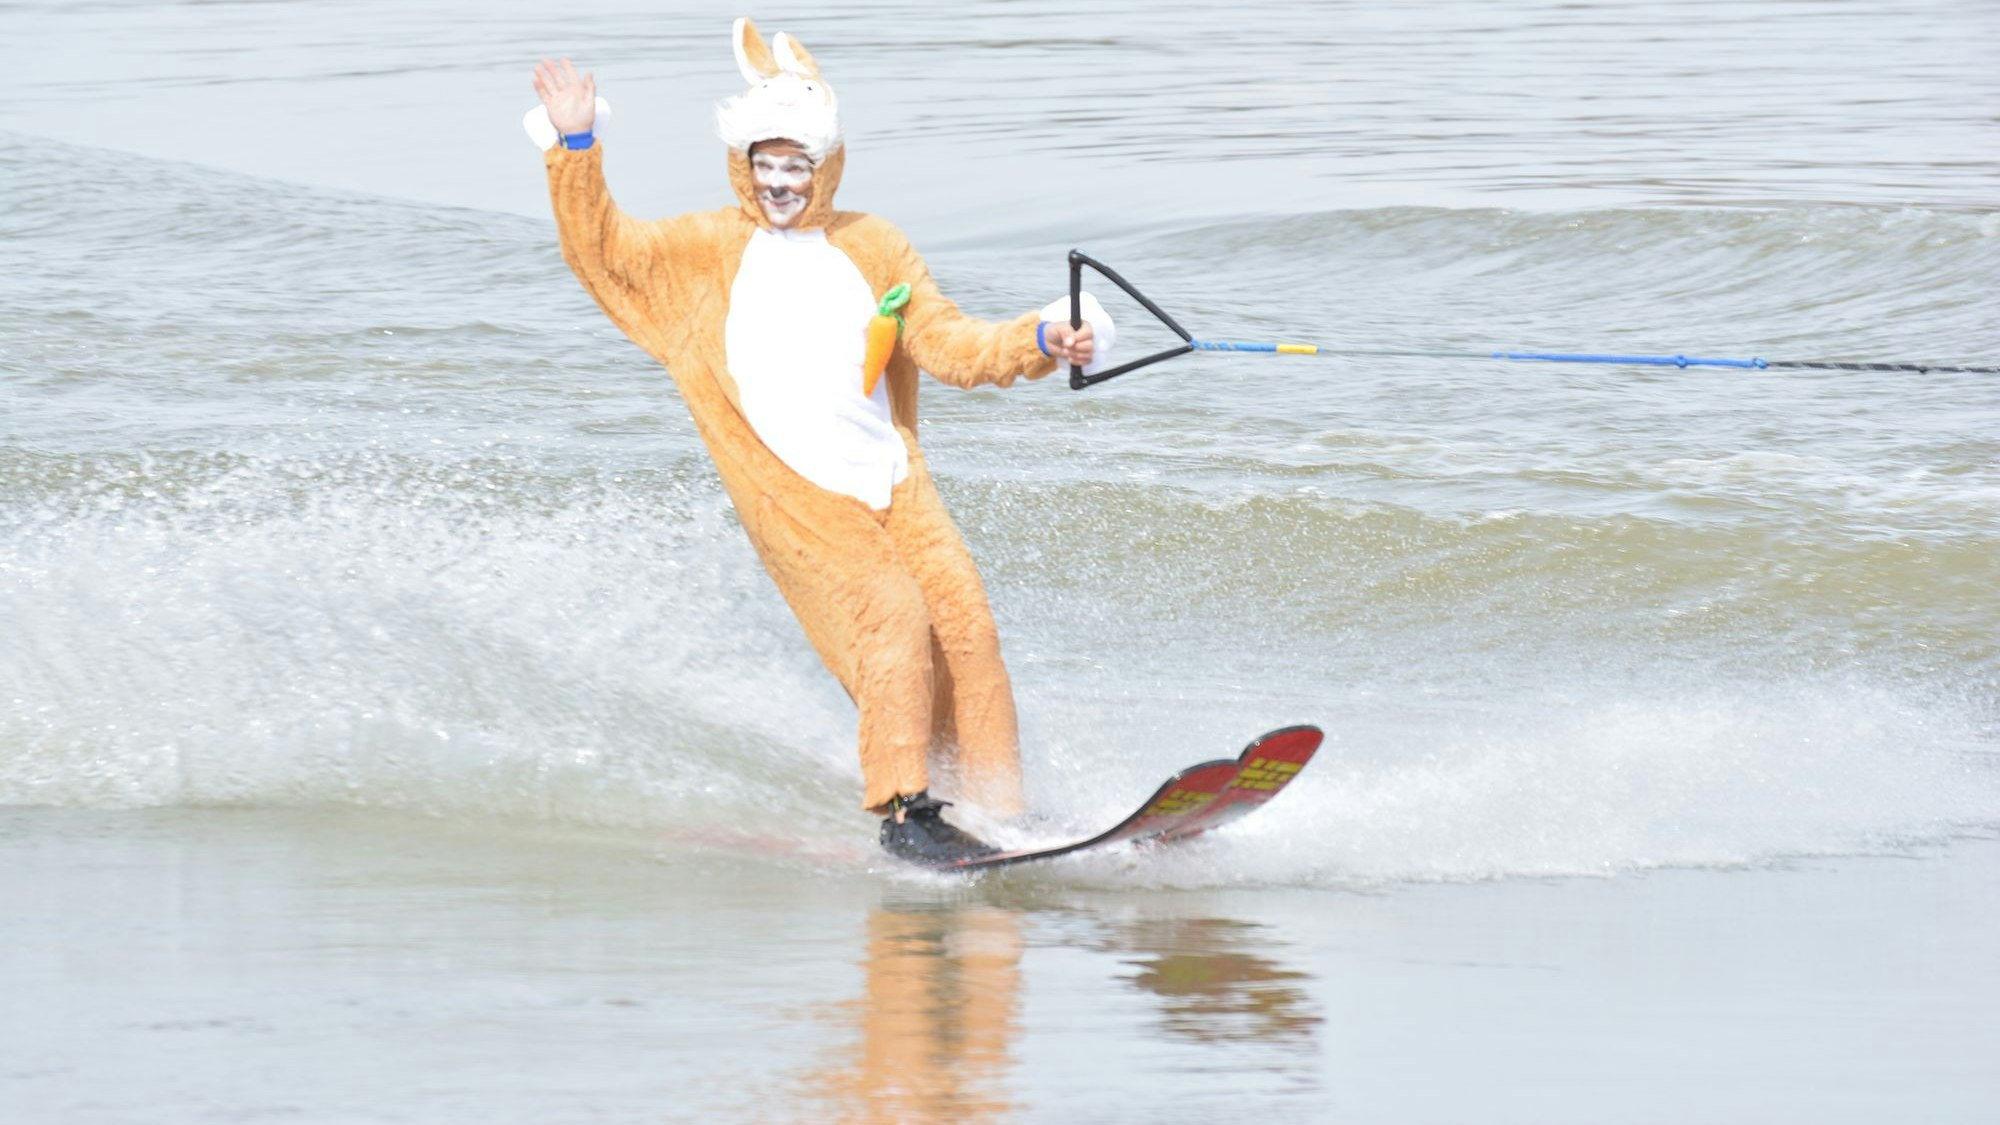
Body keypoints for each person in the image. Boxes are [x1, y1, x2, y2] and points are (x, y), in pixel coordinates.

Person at [528, 19, 1111, 863]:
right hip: (794, 493)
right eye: (763, 166)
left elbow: (947, 342)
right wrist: (577, 144)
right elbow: (603, 252)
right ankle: (904, 809)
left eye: (795, 167)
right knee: (891, 614)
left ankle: (998, 808)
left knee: (966, 626)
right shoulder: (702, 252)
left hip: (891, 480)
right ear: (742, 165)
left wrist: (1043, 339)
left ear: (826, 165)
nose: (778, 184)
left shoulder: (875, 243)